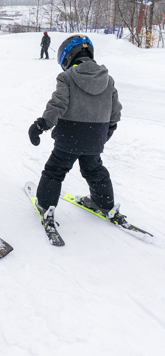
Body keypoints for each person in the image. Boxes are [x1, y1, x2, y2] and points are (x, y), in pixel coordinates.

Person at [28, 34, 123, 228]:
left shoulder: (67, 76)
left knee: (55, 171)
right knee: (94, 169)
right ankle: (104, 203)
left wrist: (41, 124)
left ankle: (46, 206)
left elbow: (58, 104)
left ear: (67, 56)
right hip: (96, 136)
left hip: (69, 135)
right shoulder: (108, 79)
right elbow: (115, 111)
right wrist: (106, 132)